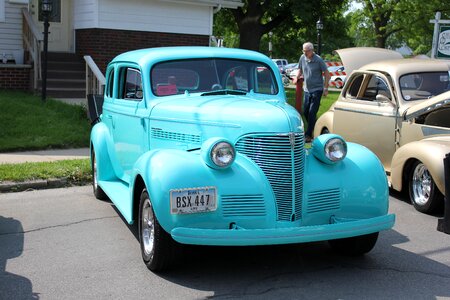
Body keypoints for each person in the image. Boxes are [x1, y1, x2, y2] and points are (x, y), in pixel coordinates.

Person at [293, 42, 330, 143]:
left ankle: (308, 135)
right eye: (303, 51)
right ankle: (315, 126)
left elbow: (327, 74)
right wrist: (297, 77)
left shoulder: (318, 60)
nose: (305, 53)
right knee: (305, 111)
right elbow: (299, 69)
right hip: (306, 89)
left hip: (317, 90)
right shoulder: (302, 58)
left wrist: (325, 88)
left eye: (306, 51)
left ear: (312, 50)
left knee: (312, 112)